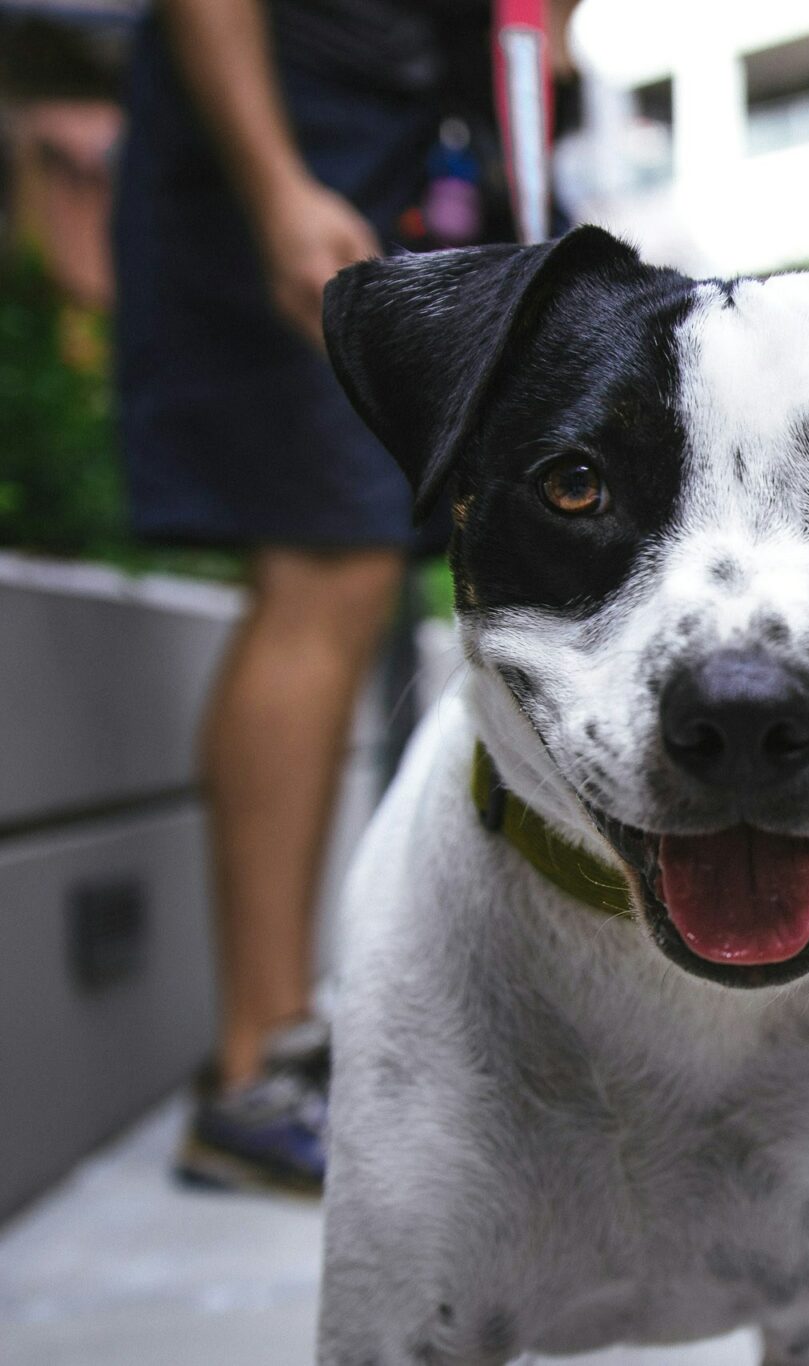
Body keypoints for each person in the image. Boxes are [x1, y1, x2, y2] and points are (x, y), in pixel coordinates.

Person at [113, 0, 569, 1195]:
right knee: (328, 562)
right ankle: (254, 1071)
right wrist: (272, 185)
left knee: (459, 544)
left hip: (430, 131)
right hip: (286, 134)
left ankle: (383, 1034)